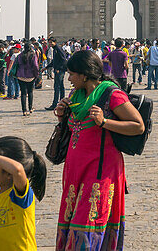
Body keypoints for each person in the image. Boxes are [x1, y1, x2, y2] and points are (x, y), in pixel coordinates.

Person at [54, 50, 144, 250]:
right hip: (75, 170)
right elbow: (74, 128)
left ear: (84, 74)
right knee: (73, 221)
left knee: (88, 225)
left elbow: (138, 126)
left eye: (72, 74)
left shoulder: (111, 94)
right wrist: (62, 116)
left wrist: (104, 122)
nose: (68, 78)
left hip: (100, 170)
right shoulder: (75, 96)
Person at [14, 44, 40, 116]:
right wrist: (36, 74)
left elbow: (16, 64)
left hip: (21, 76)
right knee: (30, 92)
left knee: (23, 93)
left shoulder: (19, 55)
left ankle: (24, 110)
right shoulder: (33, 55)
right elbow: (35, 65)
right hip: (30, 76)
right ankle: (30, 108)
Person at [45, 39, 68, 111]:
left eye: (51, 42)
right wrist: (46, 67)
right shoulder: (55, 49)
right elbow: (54, 61)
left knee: (57, 87)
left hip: (59, 71)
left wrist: (59, 68)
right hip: (58, 70)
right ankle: (62, 103)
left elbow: (63, 59)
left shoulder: (58, 49)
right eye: (49, 42)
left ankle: (55, 104)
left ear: (55, 42)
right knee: (61, 86)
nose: (50, 44)